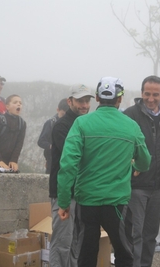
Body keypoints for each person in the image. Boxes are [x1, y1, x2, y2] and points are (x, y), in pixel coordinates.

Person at [57, 77, 151, 267]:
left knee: (86, 253)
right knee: (124, 252)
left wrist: (64, 202)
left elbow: (67, 165)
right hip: (117, 202)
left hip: (87, 201)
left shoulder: (81, 124)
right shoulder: (131, 126)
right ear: (120, 99)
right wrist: (137, 168)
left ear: (98, 98)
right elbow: (145, 161)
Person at [123, 75, 160, 267]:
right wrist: (132, 164)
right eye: (147, 94)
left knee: (150, 235)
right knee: (135, 233)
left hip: (159, 186)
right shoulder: (130, 115)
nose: (151, 98)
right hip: (136, 184)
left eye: (155, 94)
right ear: (141, 93)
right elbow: (123, 147)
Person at [49, 84, 94, 267]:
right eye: (80, 101)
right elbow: (75, 158)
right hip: (64, 192)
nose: (84, 105)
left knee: (77, 241)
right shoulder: (62, 126)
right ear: (70, 102)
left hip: (83, 192)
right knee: (62, 241)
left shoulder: (87, 124)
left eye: (87, 101)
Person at [0, 94, 26, 172]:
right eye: (15, 102)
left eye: (20, 103)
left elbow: (19, 144)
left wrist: (14, 160)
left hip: (9, 163)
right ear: (7, 107)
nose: (18, 104)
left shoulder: (22, 123)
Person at [37, 98, 69, 174]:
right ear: (57, 110)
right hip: (52, 160)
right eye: (62, 114)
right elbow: (41, 141)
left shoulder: (70, 123)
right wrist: (52, 146)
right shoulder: (50, 123)